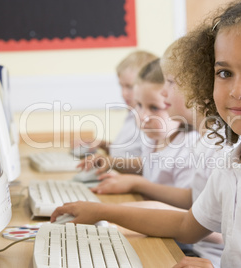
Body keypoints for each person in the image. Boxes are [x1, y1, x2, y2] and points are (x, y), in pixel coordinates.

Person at [52, 0, 241, 267]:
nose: (238, 90)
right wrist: (100, 212)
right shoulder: (232, 161)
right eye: (224, 73)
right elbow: (187, 225)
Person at [90, 41, 227, 267]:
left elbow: (194, 219)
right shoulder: (204, 142)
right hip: (193, 246)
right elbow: (193, 203)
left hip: (201, 252)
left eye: (171, 83)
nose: (165, 91)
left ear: (200, 88)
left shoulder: (207, 146)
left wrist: (134, 189)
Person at [79, 58, 199, 189]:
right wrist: (112, 162)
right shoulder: (154, 138)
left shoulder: (189, 146)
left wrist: (136, 184)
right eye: (139, 105)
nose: (142, 117)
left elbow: (187, 201)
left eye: (154, 107)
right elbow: (149, 164)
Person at [73, 50, 157, 158]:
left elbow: (146, 165)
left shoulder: (148, 121)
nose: (123, 93)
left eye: (129, 87)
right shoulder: (131, 114)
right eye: (121, 86)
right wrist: (104, 145)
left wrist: (110, 162)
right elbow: (125, 152)